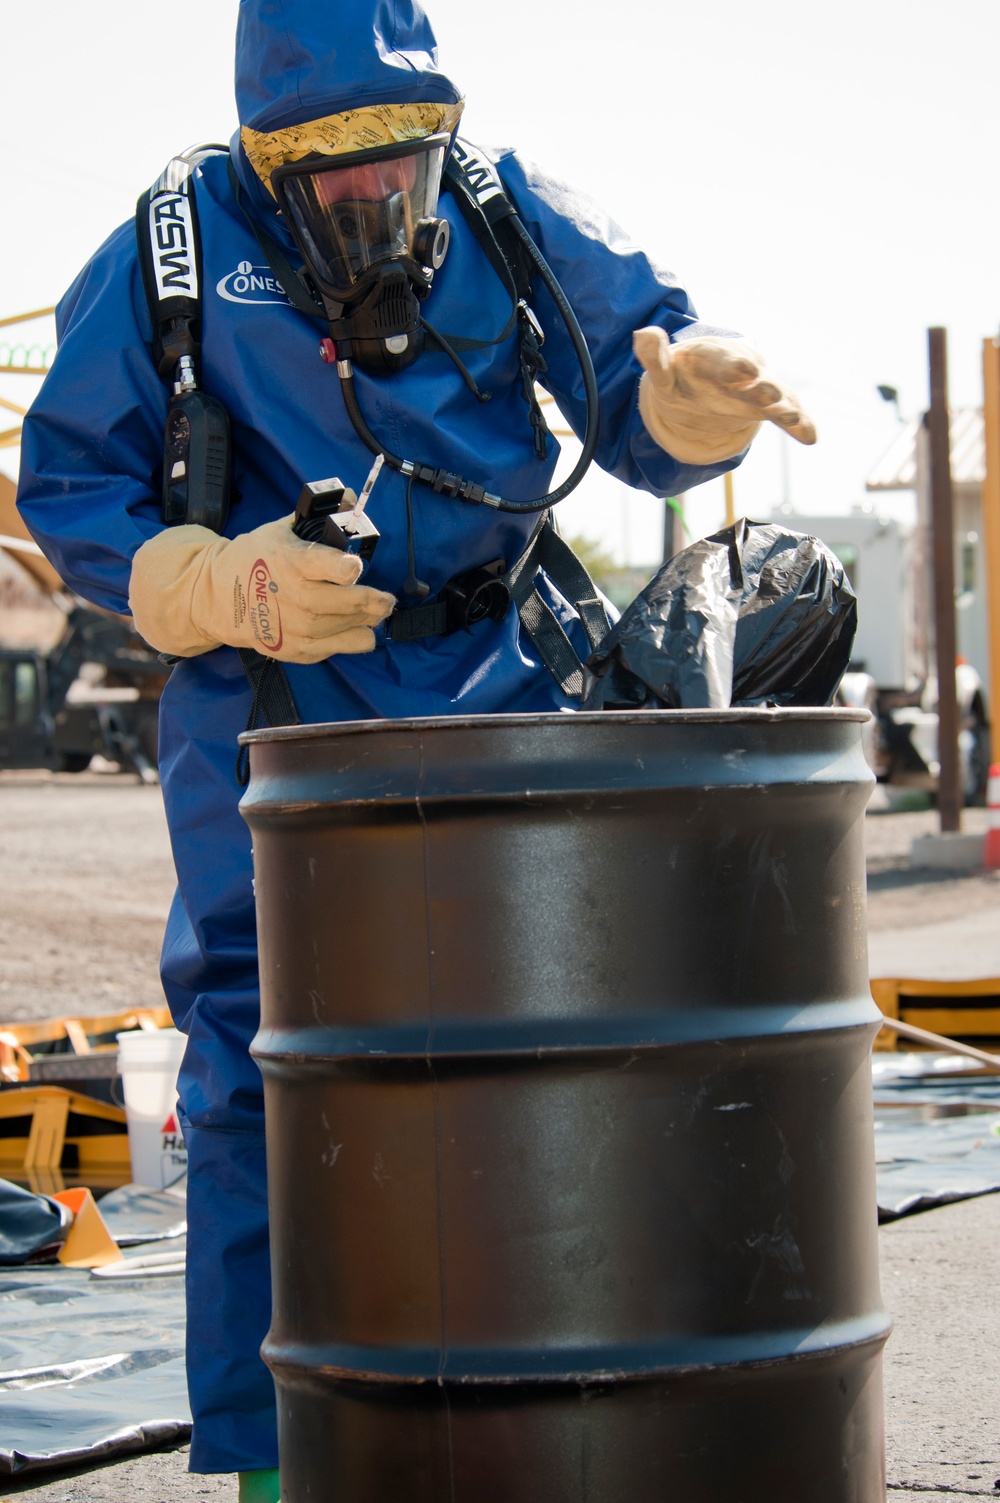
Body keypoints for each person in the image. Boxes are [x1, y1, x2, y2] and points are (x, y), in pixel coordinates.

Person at [16, 2, 815, 1497]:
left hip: (502, 667)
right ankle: (275, 1460)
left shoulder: (508, 212)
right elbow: (72, 480)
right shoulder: (169, 253)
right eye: (335, 175)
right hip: (277, 696)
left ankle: (557, 1398)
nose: (380, 204)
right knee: (267, 1053)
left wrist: (682, 399)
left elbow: (643, 392)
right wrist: (203, 579)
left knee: (558, 1028)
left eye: (406, 164)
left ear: (440, 135)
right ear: (268, 155)